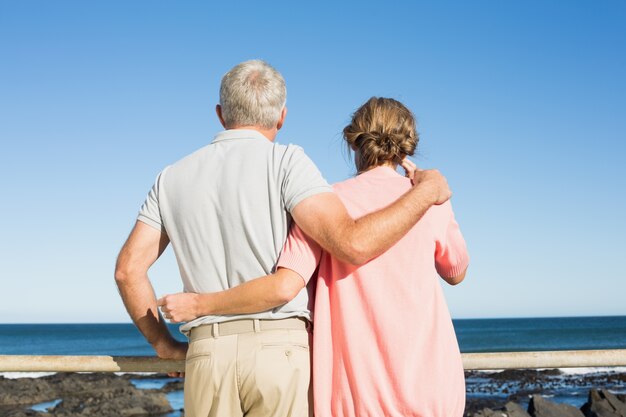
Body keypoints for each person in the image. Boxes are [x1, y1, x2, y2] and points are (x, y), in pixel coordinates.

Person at [115, 60, 452, 417]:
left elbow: (127, 270)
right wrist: (426, 191)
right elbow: (352, 244)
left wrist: (161, 343)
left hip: (207, 353)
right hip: (278, 348)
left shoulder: (171, 178)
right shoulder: (287, 162)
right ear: (281, 117)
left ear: (220, 114)